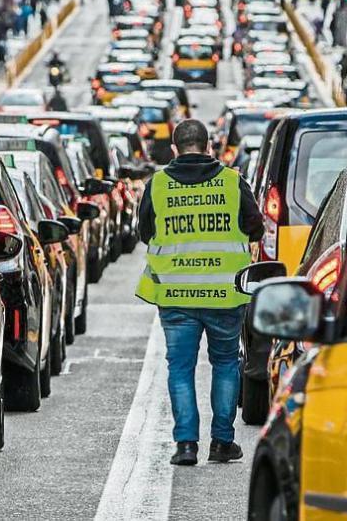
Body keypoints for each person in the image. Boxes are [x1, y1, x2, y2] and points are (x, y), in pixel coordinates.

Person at [136, 120, 263, 466]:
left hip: (176, 296)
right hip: (225, 293)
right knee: (224, 363)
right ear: (209, 147)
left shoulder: (158, 185)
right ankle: (222, 442)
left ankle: (186, 445)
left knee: (180, 367)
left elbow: (145, 232)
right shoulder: (233, 182)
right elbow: (256, 227)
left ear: (175, 149)